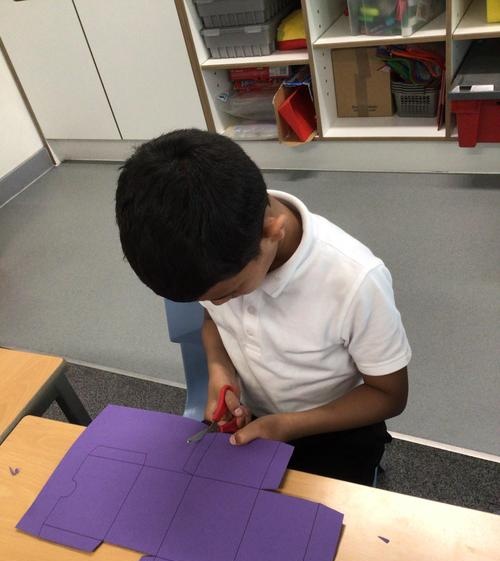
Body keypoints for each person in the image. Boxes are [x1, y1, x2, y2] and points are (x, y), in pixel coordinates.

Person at [115, 128, 411, 486]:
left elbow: (389, 395)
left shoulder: (355, 282)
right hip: (255, 416)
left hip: (336, 429)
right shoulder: (217, 257)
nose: (215, 304)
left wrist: (286, 425)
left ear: (273, 232)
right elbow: (213, 319)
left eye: (227, 294)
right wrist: (220, 369)